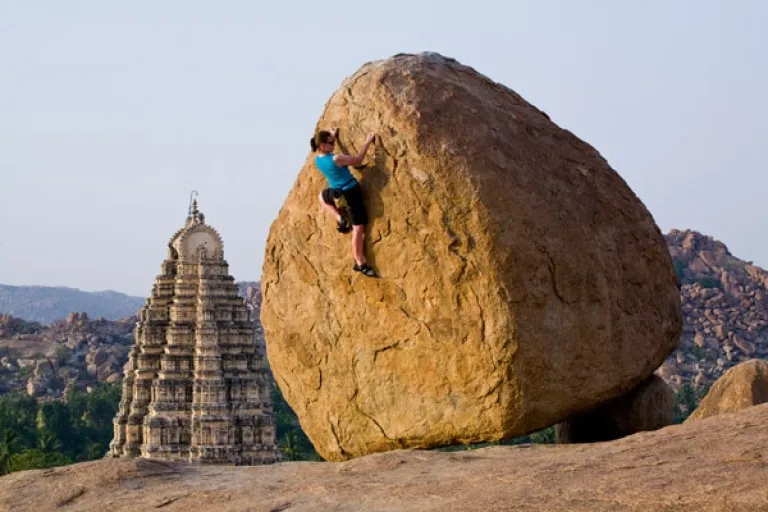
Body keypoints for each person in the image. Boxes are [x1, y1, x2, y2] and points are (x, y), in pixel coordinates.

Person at [310, 129, 377, 277]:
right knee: (358, 228)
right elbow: (358, 159)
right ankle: (360, 263)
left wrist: (333, 135)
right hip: (350, 192)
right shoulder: (336, 159)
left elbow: (326, 146)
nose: (333, 144)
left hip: (335, 194)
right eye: (331, 143)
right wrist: (367, 141)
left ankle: (340, 218)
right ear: (322, 145)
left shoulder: (318, 160)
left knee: (321, 197)